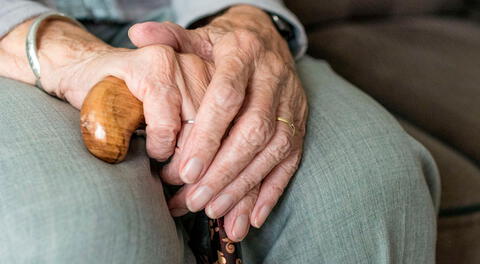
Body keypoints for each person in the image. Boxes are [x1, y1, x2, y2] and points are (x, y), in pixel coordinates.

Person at [0, 0, 440, 263]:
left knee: (372, 190)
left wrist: (247, 18)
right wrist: (61, 52)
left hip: (195, 16)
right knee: (83, 229)